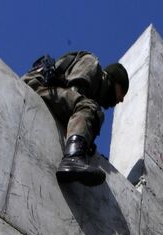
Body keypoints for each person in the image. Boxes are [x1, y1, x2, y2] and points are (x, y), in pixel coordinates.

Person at [23, 52, 129, 186]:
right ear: (115, 81)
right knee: (89, 107)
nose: (121, 99)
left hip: (52, 93)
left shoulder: (95, 92)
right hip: (36, 85)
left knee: (93, 110)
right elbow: (74, 93)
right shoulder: (91, 63)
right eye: (122, 92)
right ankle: (72, 159)